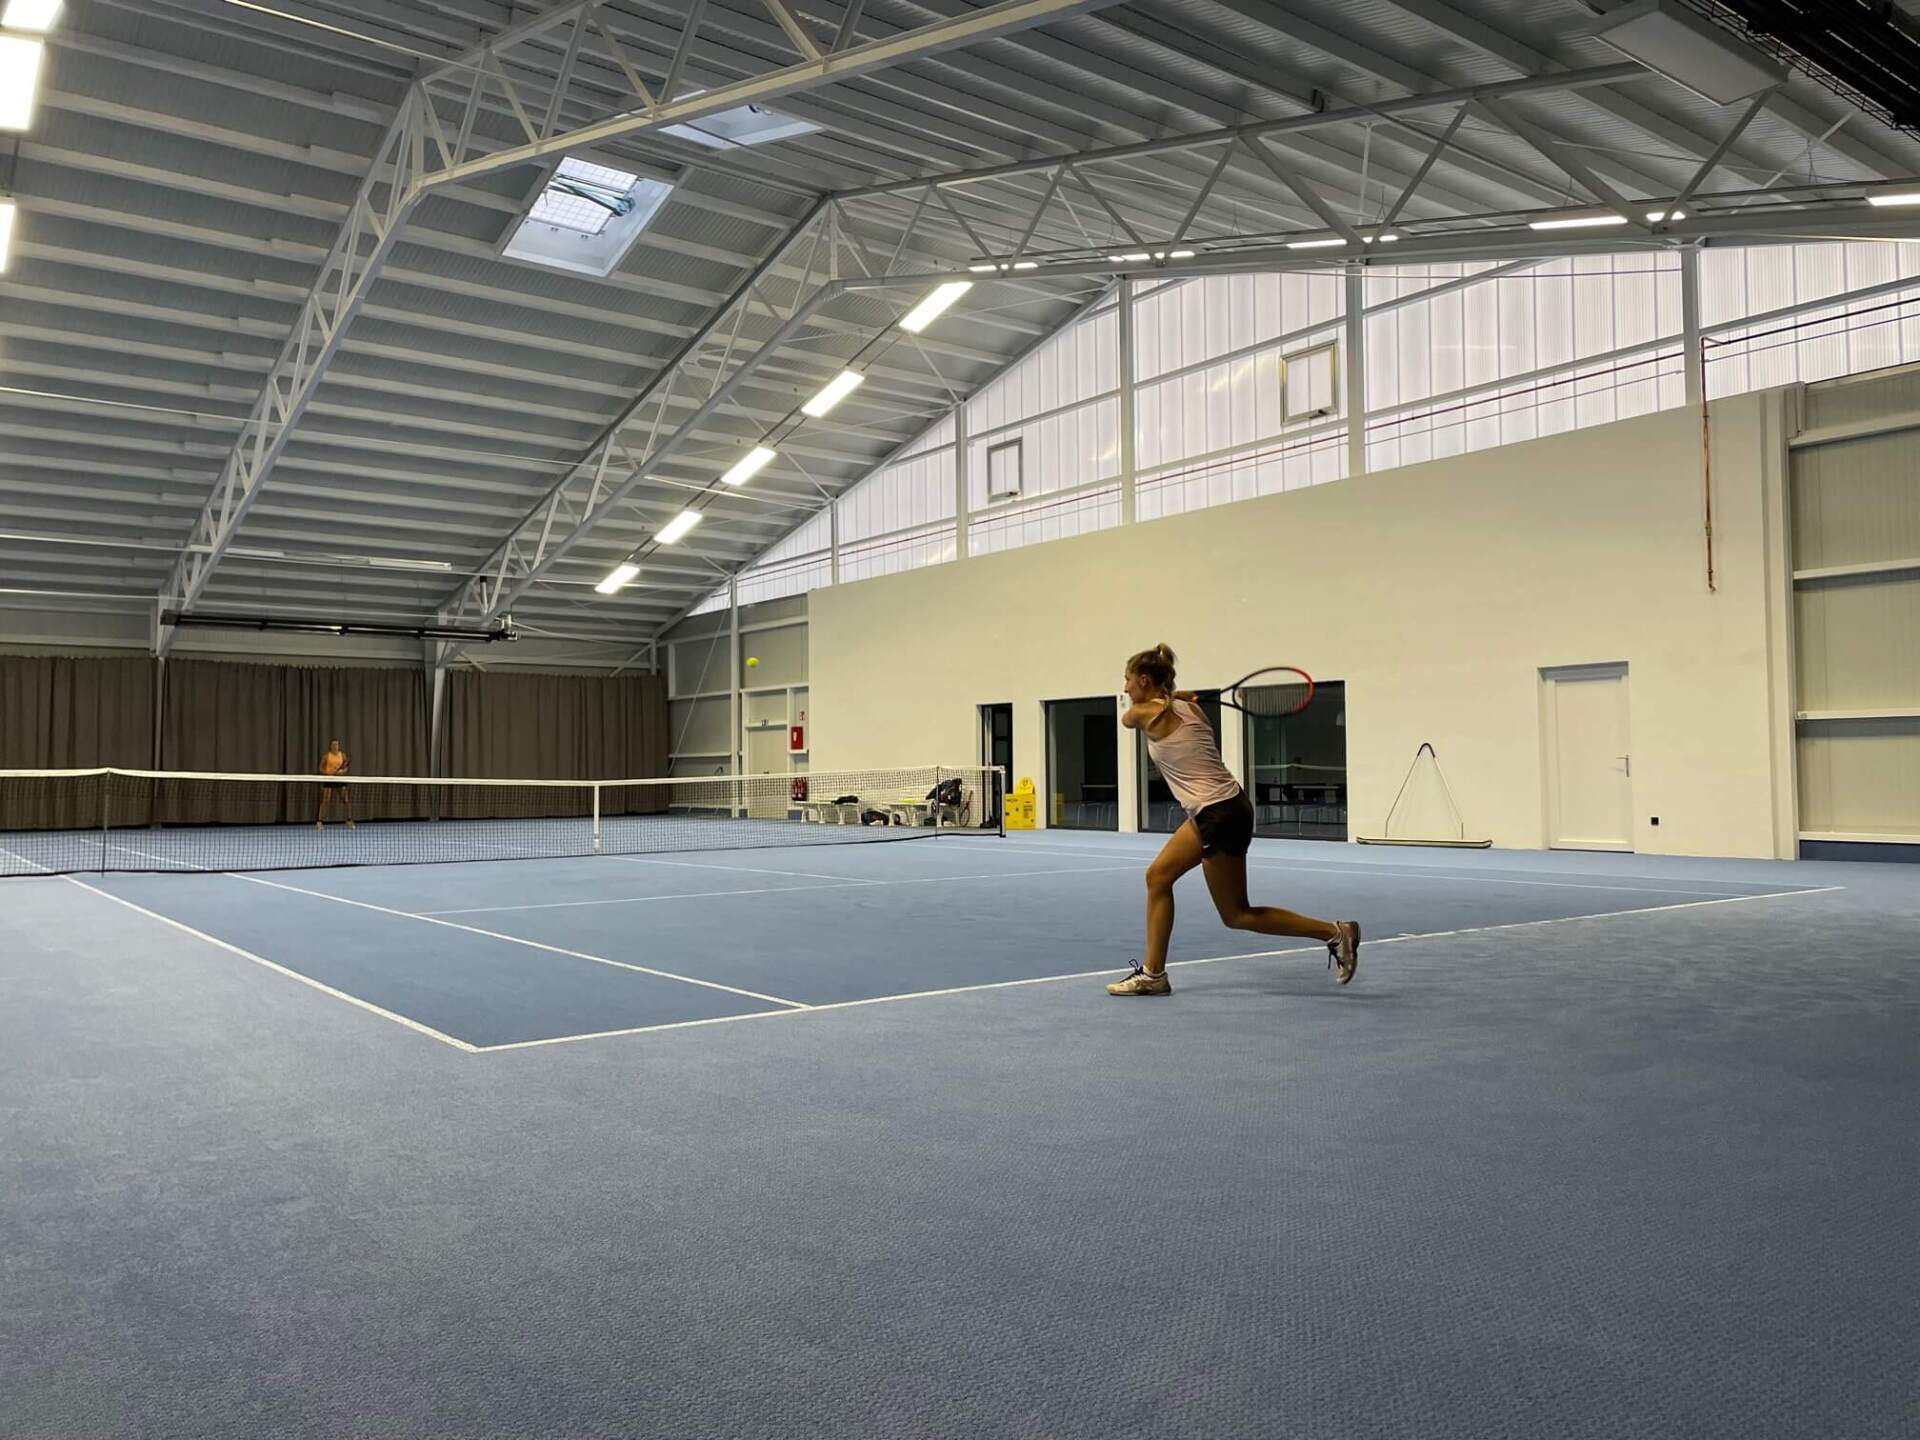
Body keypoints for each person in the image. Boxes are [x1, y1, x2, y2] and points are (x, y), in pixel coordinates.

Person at [1109, 643, 1359, 996]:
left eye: (1128, 680)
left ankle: (1335, 932)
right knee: (1158, 877)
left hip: (1219, 814)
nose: (1125, 687)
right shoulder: (1192, 709)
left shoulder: (1143, 713)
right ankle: (1154, 975)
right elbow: (1166, 704)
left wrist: (1170, 696)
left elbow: (1127, 717)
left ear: (1145, 680)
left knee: (1236, 914)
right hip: (1223, 806)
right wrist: (1174, 695)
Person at [316, 738, 353, 830]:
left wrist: (342, 772)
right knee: (325, 801)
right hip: (329, 780)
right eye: (333, 745)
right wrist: (328, 773)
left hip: (340, 780)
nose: (335, 746)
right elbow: (320, 769)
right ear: (331, 746)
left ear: (338, 746)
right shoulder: (326, 756)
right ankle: (319, 822)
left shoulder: (343, 755)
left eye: (337, 744)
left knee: (346, 800)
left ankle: (349, 820)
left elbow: (345, 768)